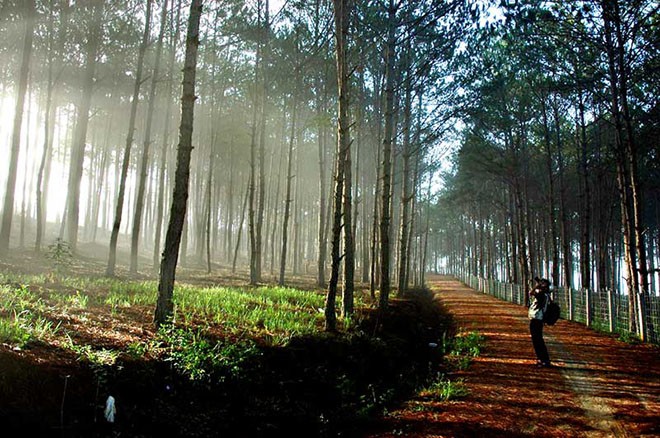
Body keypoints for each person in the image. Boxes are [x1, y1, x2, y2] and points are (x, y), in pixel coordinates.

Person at [528, 277, 551, 367]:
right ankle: (542, 359)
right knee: (537, 340)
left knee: (537, 340)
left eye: (543, 284)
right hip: (538, 319)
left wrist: (537, 285)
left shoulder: (542, 294)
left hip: (537, 319)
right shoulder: (546, 295)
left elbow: (531, 292)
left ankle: (543, 360)